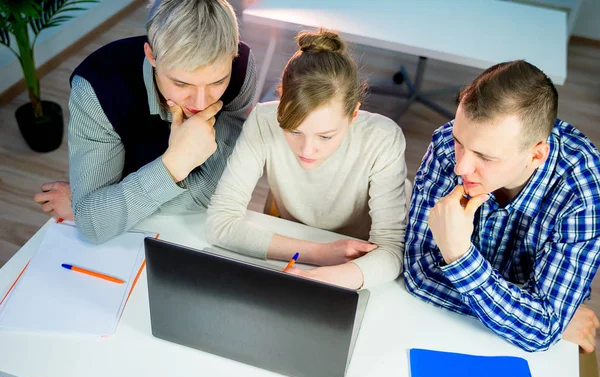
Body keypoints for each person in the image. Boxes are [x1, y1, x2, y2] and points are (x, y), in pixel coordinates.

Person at [403, 60, 600, 356]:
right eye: (460, 142)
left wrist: (457, 255)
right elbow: (418, 273)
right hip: (441, 327)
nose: (460, 166)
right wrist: (534, 320)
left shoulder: (584, 192)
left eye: (486, 157)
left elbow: (543, 329)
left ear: (536, 156)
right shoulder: (447, 143)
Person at [33, 0, 256, 243]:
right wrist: (174, 165)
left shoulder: (241, 68)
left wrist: (101, 209)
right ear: (151, 56)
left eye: (217, 82)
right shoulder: (97, 88)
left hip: (194, 232)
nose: (201, 103)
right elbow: (93, 227)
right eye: (181, 83)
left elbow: (215, 194)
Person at [206, 28, 408, 290]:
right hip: (298, 245)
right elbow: (219, 224)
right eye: (293, 130)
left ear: (354, 115)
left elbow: (391, 251)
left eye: (325, 137)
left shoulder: (382, 139)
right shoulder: (263, 121)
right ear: (280, 104)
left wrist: (321, 279)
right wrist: (318, 254)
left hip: (356, 263)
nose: (307, 150)